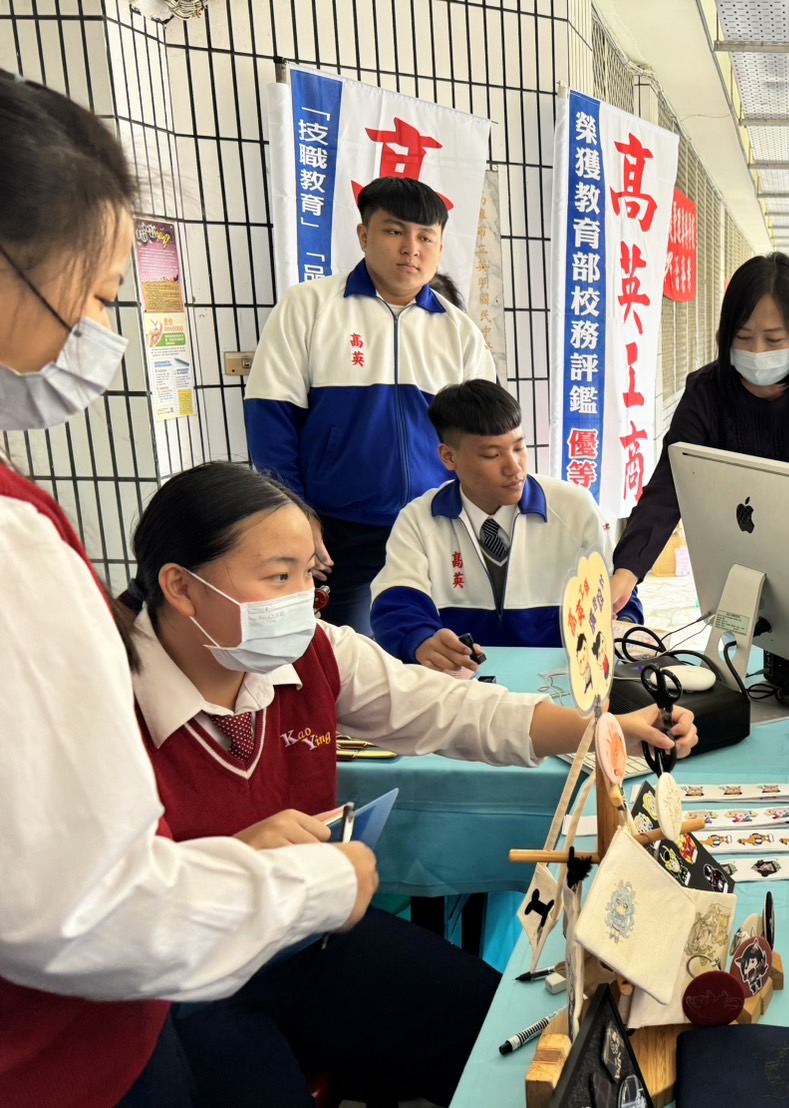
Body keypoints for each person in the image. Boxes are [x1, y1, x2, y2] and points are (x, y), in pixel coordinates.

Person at [0, 75, 378, 1108]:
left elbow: (427, 699)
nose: (95, 330)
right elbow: (85, 904)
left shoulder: (309, 658)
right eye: (99, 294)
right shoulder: (20, 550)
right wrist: (310, 883)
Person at [121, 461, 695, 1105]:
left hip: (306, 936)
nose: (302, 600)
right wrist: (232, 860)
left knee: (496, 1041)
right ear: (181, 587)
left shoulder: (314, 652)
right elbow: (93, 903)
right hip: (181, 988)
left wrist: (599, 730)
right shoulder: (104, 707)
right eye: (279, 577)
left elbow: (448, 708)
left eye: (311, 576)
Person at [245, 178, 498, 635]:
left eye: (426, 237)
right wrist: (295, 515)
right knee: (351, 655)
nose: (411, 248)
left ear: (441, 248)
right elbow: (271, 419)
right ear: (364, 236)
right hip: (339, 530)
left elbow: (485, 436)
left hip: (436, 526)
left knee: (440, 651)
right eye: (394, 231)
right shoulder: (308, 307)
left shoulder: (458, 331)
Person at [609, 253, 789, 611]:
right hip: (735, 569)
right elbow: (671, 483)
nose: (756, 352)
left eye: (774, 340)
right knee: (740, 639)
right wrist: (628, 569)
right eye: (743, 337)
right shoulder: (707, 391)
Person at [371, 379, 642, 670]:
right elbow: (397, 601)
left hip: (561, 680)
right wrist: (420, 638)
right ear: (449, 457)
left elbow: (618, 595)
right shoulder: (419, 519)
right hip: (463, 684)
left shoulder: (574, 507)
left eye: (519, 447)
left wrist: (622, 627)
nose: (514, 468)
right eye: (492, 455)